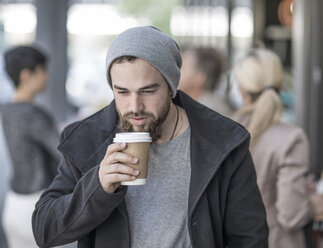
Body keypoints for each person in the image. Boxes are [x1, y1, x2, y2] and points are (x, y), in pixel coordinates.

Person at [32, 26, 268, 248]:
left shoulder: (223, 142)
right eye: (122, 92)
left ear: (171, 86)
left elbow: (250, 238)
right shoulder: (87, 139)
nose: (135, 106)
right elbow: (45, 230)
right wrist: (98, 186)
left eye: (148, 91)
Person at [231, 48, 314, 248]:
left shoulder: (221, 133)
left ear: (241, 91)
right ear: (281, 86)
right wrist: (312, 203)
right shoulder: (291, 139)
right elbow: (291, 215)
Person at [0, 46, 61, 248]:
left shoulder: (5, 111)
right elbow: (63, 153)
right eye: (42, 70)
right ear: (26, 75)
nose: (47, 76)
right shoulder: (33, 114)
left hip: (12, 203)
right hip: (36, 207)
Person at [178, 46, 232, 117]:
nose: (174, 72)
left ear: (199, 79)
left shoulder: (211, 113)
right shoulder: (187, 105)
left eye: (181, 68)